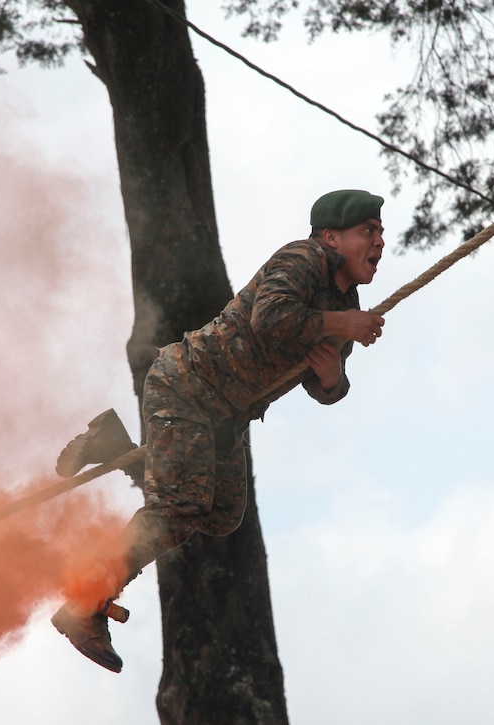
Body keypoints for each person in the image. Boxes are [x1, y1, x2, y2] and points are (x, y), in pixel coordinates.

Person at [51, 189, 387, 672]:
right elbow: (270, 317)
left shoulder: (344, 298)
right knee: (178, 507)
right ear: (331, 238)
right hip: (187, 386)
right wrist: (341, 324)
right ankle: (85, 601)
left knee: (220, 513)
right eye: (367, 231)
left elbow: (324, 384)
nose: (379, 240)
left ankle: (116, 446)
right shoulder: (304, 258)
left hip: (225, 416)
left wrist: (333, 375)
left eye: (379, 231)